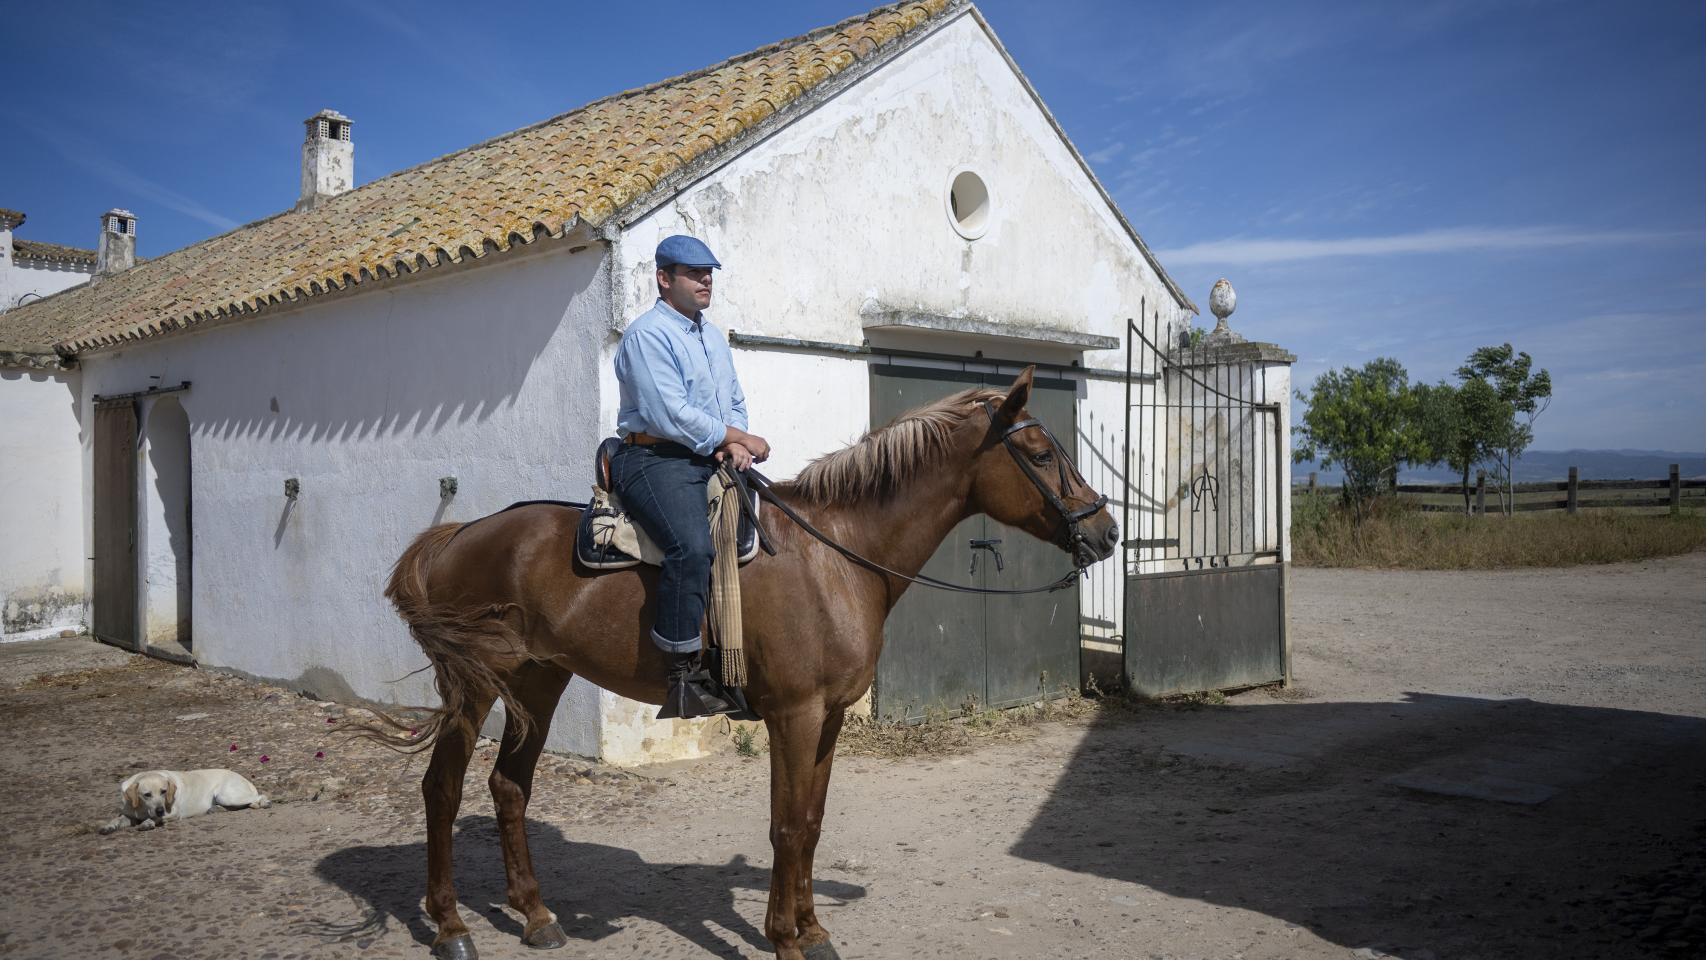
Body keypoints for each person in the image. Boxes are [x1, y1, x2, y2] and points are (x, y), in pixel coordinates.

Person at [611, 235, 771, 719]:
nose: (706, 280)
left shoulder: (713, 337)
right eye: (694, 273)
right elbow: (669, 415)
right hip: (653, 459)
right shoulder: (647, 336)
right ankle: (682, 674)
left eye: (709, 273)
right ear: (664, 279)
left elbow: (732, 400)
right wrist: (735, 437)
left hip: (705, 455)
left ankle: (735, 661)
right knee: (692, 546)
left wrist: (733, 441)